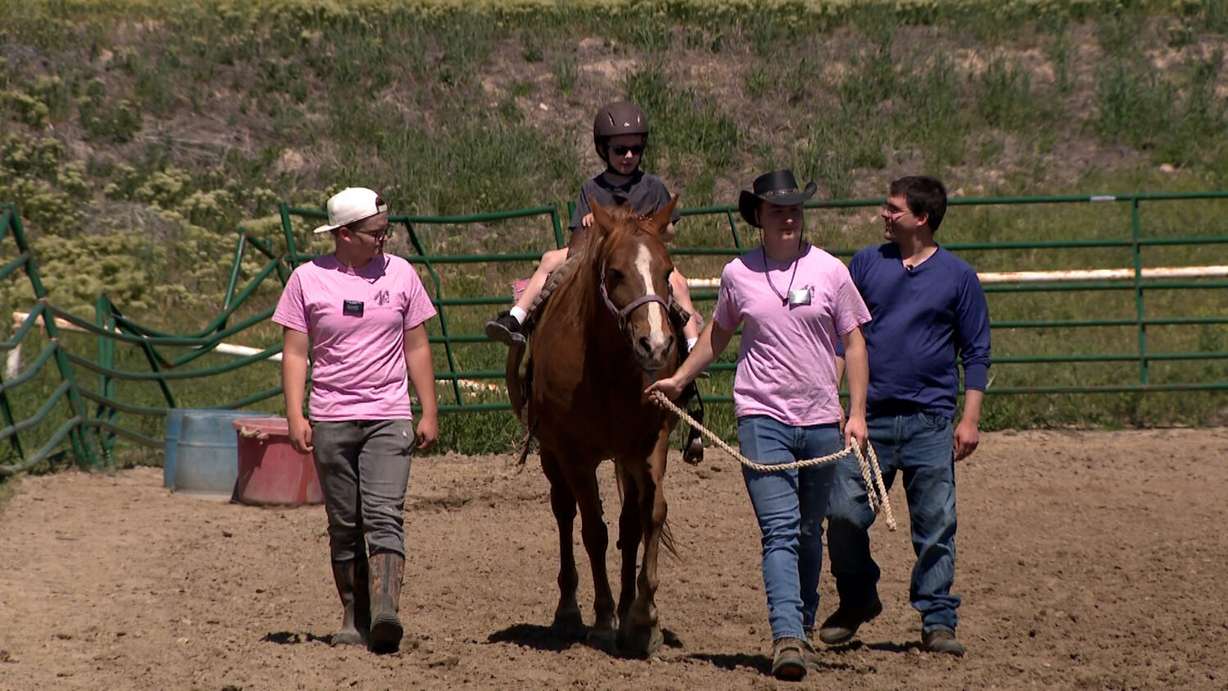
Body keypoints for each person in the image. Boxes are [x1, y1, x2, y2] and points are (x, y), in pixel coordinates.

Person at [648, 170, 871, 681]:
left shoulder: (831, 271)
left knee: (809, 533)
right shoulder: (739, 274)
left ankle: (804, 623)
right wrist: (680, 379)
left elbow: (854, 342)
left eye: (794, 208)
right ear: (759, 218)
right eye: (777, 210)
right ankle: (786, 636)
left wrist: (855, 413)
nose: (788, 217)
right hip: (761, 417)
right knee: (780, 532)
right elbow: (717, 336)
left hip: (820, 419)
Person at [821, 175, 991, 657]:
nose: (884, 215)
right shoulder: (868, 264)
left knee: (936, 523)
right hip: (867, 418)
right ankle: (858, 598)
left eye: (894, 209)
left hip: (929, 420)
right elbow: (845, 335)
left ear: (922, 218)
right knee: (843, 515)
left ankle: (938, 619)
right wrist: (830, 393)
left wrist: (970, 419)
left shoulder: (958, 278)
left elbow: (976, 351)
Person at [274, 187, 439, 654]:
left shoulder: (401, 275)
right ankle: (353, 614)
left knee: (385, 513)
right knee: (344, 522)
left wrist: (428, 408)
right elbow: (295, 352)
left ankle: (386, 610)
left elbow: (418, 344)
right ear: (344, 234)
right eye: (375, 233)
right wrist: (294, 413)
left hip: (388, 414)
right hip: (331, 416)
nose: (383, 240)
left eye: (386, 231)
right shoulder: (307, 280)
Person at [484, 100, 701, 350]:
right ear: (603, 149)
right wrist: (590, 222)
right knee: (549, 260)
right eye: (620, 149)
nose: (628, 156)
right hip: (595, 252)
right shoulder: (592, 188)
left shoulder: (653, 187)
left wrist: (650, 226)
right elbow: (578, 236)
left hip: (642, 257)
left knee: (679, 284)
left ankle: (692, 347)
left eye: (635, 149)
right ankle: (520, 318)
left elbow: (670, 232)